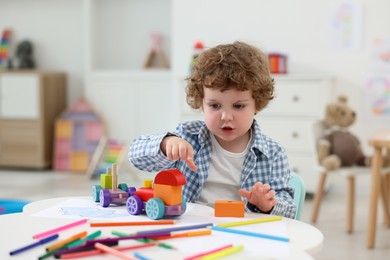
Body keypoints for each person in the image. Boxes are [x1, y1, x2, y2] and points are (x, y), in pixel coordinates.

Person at [129, 41, 296, 218]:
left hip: (241, 232)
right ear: (201, 102)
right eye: (215, 105)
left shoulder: (273, 154)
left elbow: (289, 211)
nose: (226, 116)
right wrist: (166, 144)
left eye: (238, 106)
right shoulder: (187, 137)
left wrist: (267, 205)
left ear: (258, 104)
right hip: (190, 228)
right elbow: (135, 156)